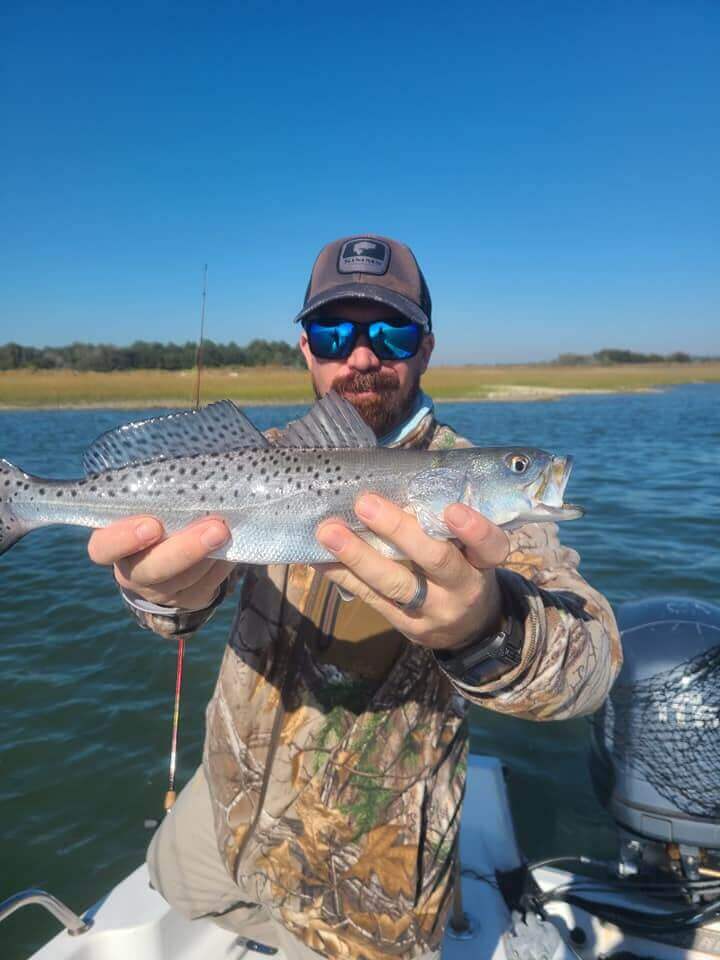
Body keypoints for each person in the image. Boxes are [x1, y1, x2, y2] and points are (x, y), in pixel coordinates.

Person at [88, 235, 622, 960]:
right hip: (226, 815)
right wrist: (157, 597)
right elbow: (179, 610)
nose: (362, 356)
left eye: (391, 332)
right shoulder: (249, 461)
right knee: (172, 878)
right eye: (334, 332)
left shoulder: (478, 507)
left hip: (367, 883)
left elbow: (588, 663)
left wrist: (486, 626)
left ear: (425, 348)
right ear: (306, 349)